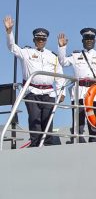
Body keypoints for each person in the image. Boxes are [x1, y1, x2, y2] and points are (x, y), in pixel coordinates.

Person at [4, 16, 66, 147]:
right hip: (32, 91)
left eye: (43, 39)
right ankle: (35, 145)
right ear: (34, 40)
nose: (41, 41)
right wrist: (9, 32)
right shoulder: (26, 52)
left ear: (46, 41)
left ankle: (48, 146)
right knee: (34, 120)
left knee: (48, 121)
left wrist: (62, 92)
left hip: (49, 92)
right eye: (38, 39)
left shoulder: (52, 56)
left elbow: (59, 74)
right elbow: (12, 47)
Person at [58, 28, 96, 143]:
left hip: (94, 93)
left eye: (91, 38)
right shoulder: (76, 55)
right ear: (83, 40)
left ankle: (95, 145)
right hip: (79, 94)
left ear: (94, 40)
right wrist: (62, 47)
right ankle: (77, 145)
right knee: (78, 124)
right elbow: (63, 62)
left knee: (94, 125)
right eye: (86, 38)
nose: (89, 40)